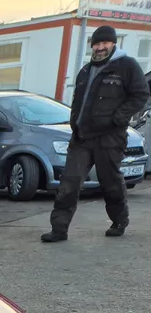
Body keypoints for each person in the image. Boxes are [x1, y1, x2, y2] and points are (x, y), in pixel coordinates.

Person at [43, 26, 150, 242]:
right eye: (97, 44)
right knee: (69, 182)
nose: (100, 48)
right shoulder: (85, 71)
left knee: (110, 182)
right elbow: (78, 103)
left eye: (104, 44)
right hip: (82, 138)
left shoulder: (127, 66)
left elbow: (140, 95)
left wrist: (119, 117)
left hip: (110, 137)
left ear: (113, 44)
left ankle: (119, 220)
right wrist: (75, 124)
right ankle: (59, 229)